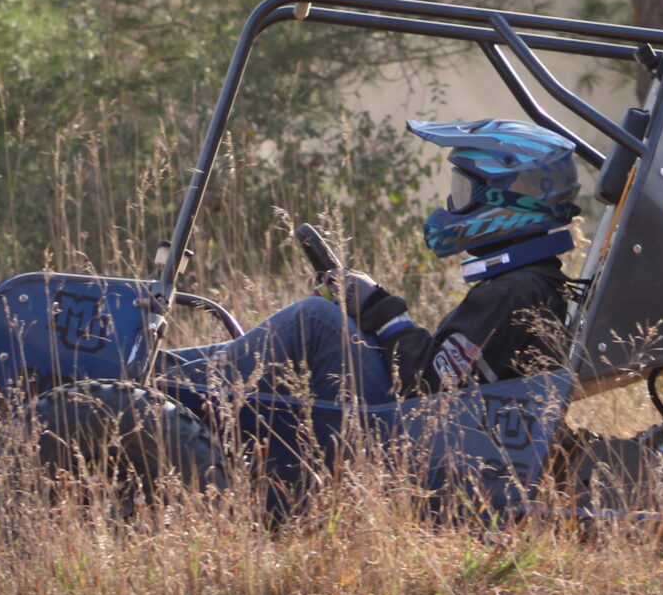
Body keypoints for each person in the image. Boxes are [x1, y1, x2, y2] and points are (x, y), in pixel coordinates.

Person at [158, 118, 585, 406]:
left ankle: (163, 400)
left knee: (316, 319)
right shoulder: (529, 283)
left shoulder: (517, 290)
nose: (453, 204)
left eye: (464, 190)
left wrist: (380, 309)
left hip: (416, 442)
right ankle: (159, 379)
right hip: (430, 429)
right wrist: (369, 311)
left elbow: (429, 388)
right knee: (300, 327)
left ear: (502, 200)